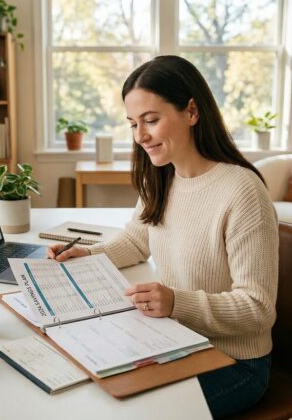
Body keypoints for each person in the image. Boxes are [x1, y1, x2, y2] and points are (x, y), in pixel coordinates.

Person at [47, 55, 278, 418]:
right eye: (133, 124)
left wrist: (176, 303)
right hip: (176, 342)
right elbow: (136, 240)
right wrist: (88, 255)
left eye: (151, 121)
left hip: (234, 361)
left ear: (191, 111)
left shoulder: (242, 191)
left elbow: (258, 310)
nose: (140, 136)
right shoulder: (163, 177)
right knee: (86, 388)